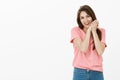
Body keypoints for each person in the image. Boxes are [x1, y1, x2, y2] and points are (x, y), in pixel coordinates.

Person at [70, 5, 107, 80]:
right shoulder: (75, 30)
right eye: (82, 18)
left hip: (97, 73)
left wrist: (93, 31)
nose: (85, 20)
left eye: (88, 16)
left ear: (92, 16)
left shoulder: (101, 31)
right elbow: (83, 48)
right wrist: (89, 31)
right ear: (79, 20)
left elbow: (100, 51)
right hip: (79, 72)